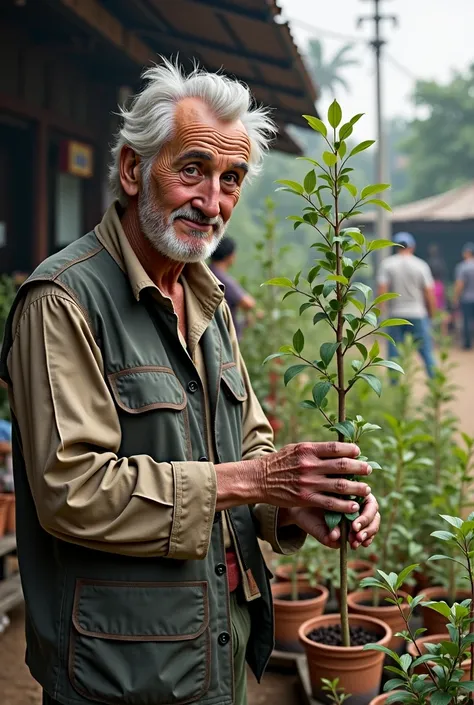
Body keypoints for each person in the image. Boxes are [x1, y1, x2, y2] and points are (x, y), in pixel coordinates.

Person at [0, 60, 380, 705]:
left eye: (231, 179)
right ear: (131, 170)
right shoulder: (62, 300)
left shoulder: (208, 298)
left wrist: (298, 501)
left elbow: (250, 447)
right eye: (192, 170)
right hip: (118, 667)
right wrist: (256, 481)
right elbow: (71, 489)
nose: (212, 202)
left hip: (215, 641)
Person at [377, 231, 437, 377]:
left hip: (396, 315)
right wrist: (432, 314)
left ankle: (394, 386)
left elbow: (382, 290)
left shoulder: (387, 264)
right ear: (413, 246)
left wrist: (381, 313)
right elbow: (429, 292)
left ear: (396, 246)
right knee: (426, 352)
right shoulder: (421, 265)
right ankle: (435, 383)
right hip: (418, 313)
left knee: (393, 354)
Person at [209, 237, 256, 339]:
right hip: (224, 336)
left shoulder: (206, 272)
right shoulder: (223, 279)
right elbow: (248, 303)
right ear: (230, 256)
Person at [454, 242, 474, 349]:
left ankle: (467, 344)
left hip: (467, 298)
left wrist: (456, 297)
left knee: (466, 321)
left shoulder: (463, 267)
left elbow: (460, 284)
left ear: (466, 253)